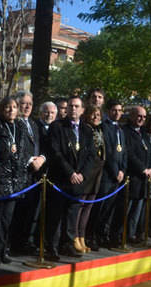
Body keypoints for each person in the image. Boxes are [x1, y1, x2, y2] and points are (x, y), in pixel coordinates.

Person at [45, 96, 94, 261]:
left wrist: (82, 174)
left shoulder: (87, 130)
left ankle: (67, 245)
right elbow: (55, 152)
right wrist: (70, 173)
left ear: (82, 110)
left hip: (78, 181)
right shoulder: (57, 127)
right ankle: (51, 247)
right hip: (61, 179)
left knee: (72, 215)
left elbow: (91, 155)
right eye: (71, 106)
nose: (73, 109)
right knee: (55, 216)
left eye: (77, 106)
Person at [0, 97, 30, 265]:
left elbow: (25, 150)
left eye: (14, 107)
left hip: (15, 180)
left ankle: (3, 250)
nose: (11, 110)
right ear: (1, 109)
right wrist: (7, 149)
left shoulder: (20, 126)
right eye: (7, 107)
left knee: (7, 220)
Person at [10, 92, 45, 255]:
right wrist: (30, 160)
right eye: (23, 103)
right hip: (20, 173)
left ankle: (25, 242)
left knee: (31, 211)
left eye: (30, 104)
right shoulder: (14, 123)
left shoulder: (34, 123)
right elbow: (15, 148)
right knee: (18, 212)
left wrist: (42, 158)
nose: (27, 107)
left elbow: (43, 146)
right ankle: (15, 244)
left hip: (35, 176)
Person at [89, 100, 126, 250]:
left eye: (119, 110)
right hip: (107, 175)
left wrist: (123, 169)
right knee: (99, 208)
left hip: (118, 176)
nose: (117, 113)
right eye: (114, 110)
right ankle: (92, 236)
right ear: (109, 111)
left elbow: (123, 152)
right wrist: (115, 170)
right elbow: (109, 152)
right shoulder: (104, 127)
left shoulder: (120, 130)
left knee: (109, 210)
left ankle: (102, 235)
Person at [114, 106, 151, 244]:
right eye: (139, 116)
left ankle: (131, 234)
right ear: (131, 116)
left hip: (144, 179)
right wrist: (143, 169)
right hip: (132, 177)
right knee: (126, 208)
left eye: (144, 117)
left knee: (138, 209)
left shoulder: (144, 133)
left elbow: (150, 152)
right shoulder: (125, 131)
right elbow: (129, 153)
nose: (141, 119)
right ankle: (119, 235)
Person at [78, 106, 105, 253]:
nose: (96, 117)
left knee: (89, 207)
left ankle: (83, 236)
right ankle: (76, 236)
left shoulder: (99, 130)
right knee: (80, 205)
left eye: (98, 114)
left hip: (98, 173)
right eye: (93, 114)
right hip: (87, 172)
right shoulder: (84, 129)